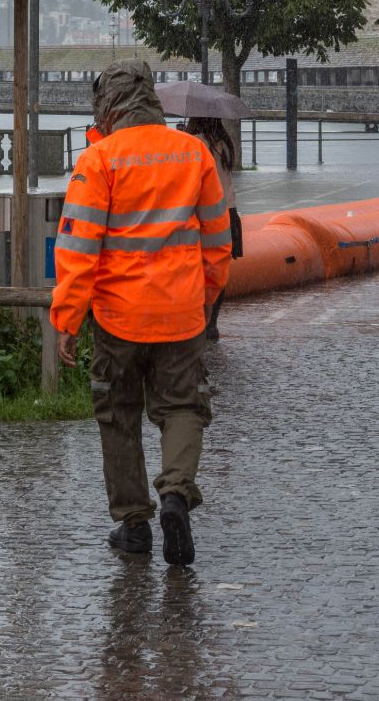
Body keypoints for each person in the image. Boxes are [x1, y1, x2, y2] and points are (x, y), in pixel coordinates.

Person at [50, 60, 231, 566]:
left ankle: (134, 525)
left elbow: (77, 248)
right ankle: (176, 493)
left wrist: (67, 318)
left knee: (118, 414)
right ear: (150, 98)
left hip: (118, 315)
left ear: (106, 106)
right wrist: (204, 295)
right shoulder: (194, 153)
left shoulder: (99, 160)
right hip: (180, 312)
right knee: (182, 407)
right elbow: (218, 240)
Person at [178, 116, 240, 341]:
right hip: (228, 210)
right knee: (219, 266)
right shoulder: (224, 143)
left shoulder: (195, 143)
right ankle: (212, 322)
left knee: (199, 266)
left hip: (206, 211)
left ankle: (199, 319)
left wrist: (183, 136)